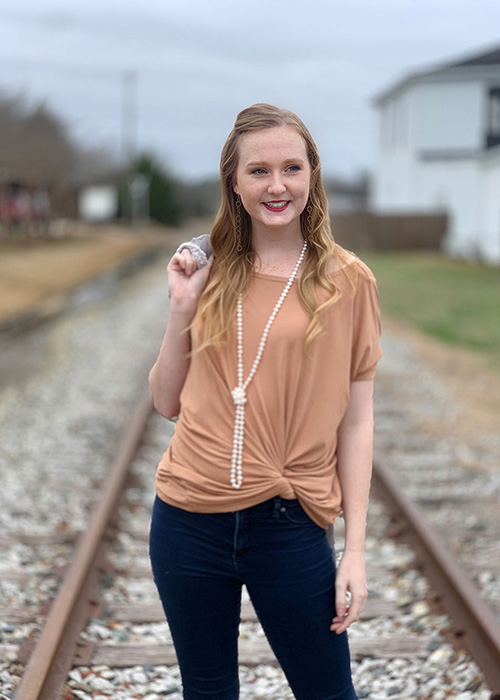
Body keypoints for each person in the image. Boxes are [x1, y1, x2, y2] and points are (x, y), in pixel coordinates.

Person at [148, 103, 383, 700]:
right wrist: (181, 307)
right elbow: (164, 400)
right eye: (258, 171)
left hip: (290, 523)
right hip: (188, 519)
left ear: (312, 174)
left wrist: (354, 550)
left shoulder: (347, 281)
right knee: (207, 690)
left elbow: (357, 423)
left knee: (327, 692)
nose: (277, 185)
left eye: (291, 168)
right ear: (234, 182)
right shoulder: (208, 270)